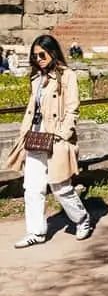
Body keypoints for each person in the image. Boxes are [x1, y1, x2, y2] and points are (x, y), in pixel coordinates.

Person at [6, 35, 92, 247]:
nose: (39, 59)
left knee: (60, 185)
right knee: (32, 187)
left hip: (55, 137)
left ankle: (82, 219)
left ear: (52, 52)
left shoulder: (67, 76)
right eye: (35, 57)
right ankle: (36, 231)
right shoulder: (36, 78)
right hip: (35, 135)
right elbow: (31, 109)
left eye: (42, 55)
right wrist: (23, 133)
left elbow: (73, 107)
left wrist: (62, 134)